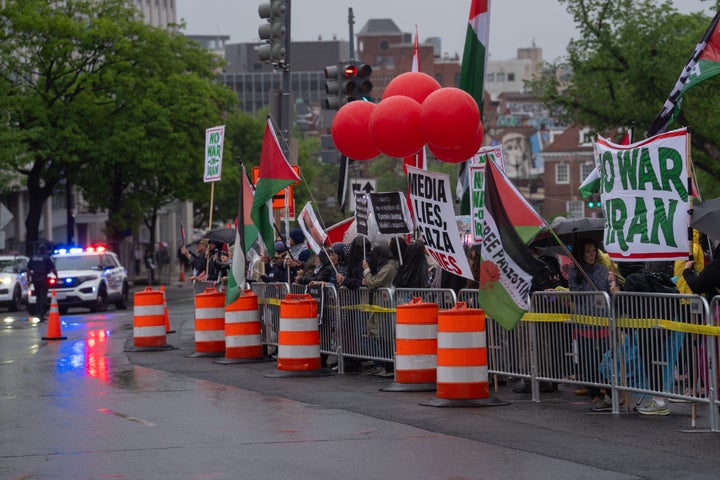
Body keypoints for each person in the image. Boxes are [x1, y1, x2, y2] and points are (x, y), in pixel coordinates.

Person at [567, 238, 617, 411]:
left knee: (606, 357)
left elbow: (610, 295)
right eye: (587, 251)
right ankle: (595, 393)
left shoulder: (604, 270)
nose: (591, 254)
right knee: (588, 358)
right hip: (584, 321)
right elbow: (574, 293)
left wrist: (612, 288)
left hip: (603, 321)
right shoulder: (574, 272)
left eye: (593, 251)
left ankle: (610, 391)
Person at [625, 261, 680, 416]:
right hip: (660, 327)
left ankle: (658, 401)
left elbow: (626, 306)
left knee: (651, 363)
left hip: (646, 328)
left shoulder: (633, 279)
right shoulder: (652, 277)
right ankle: (658, 399)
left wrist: (616, 293)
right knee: (655, 363)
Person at [28, 244, 58, 319]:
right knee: (43, 297)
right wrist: (57, 276)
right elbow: (53, 269)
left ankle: (38, 313)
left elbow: (28, 270)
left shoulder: (33, 258)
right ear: (45, 250)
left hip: (35, 279)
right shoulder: (47, 258)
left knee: (38, 297)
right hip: (43, 279)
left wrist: (28, 279)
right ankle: (41, 314)